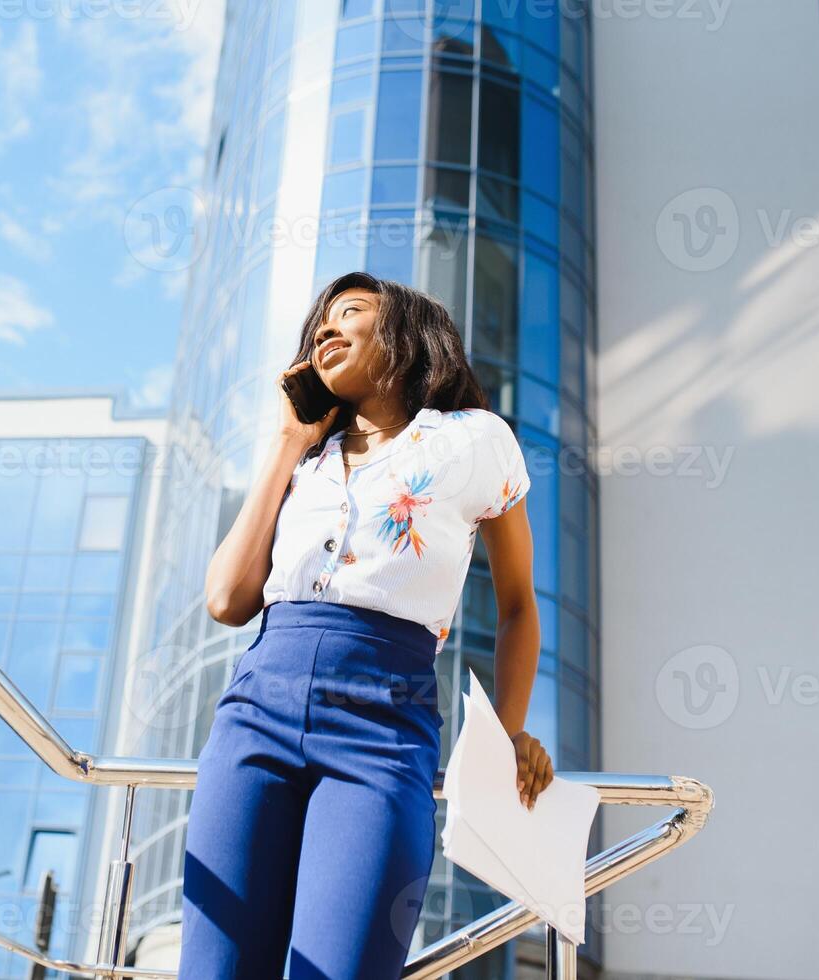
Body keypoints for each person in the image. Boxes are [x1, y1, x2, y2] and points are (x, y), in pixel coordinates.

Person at [178, 270, 553, 979]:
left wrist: (507, 735)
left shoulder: (474, 439)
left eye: (348, 313)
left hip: (383, 725)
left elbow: (517, 606)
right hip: (255, 710)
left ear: (407, 336)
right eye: (318, 320)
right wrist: (287, 444)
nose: (324, 327)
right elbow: (227, 599)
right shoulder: (308, 461)